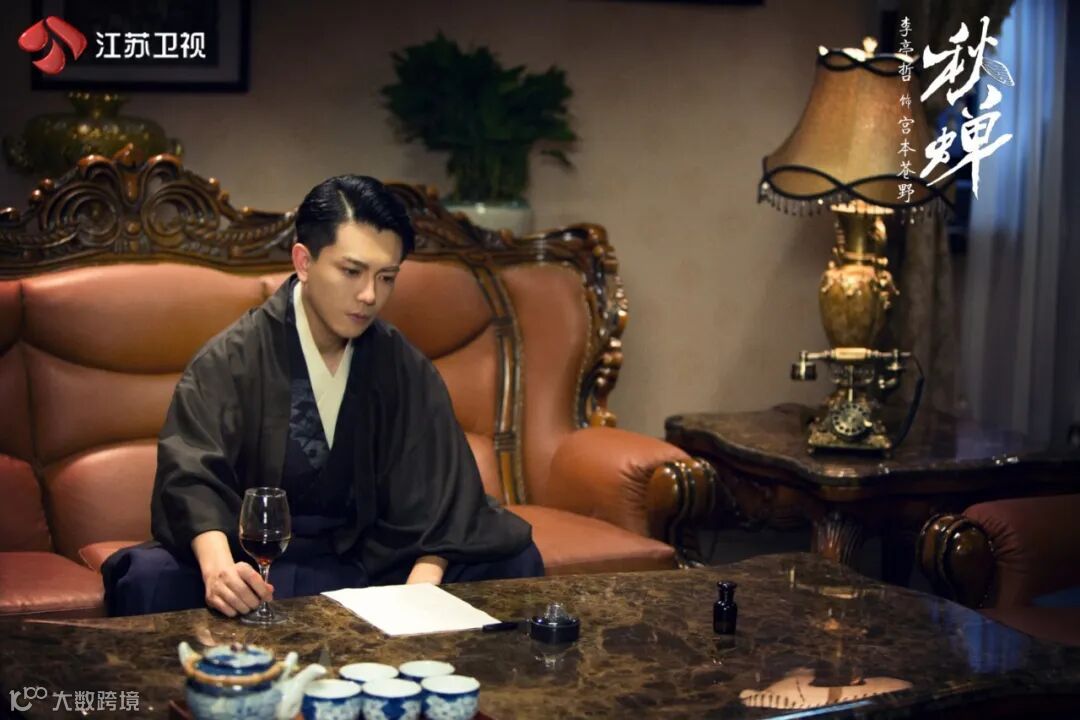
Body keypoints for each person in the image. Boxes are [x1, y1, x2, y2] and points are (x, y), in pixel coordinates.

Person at [103, 175, 542, 617]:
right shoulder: (234, 358)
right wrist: (219, 571)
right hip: (256, 560)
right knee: (148, 579)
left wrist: (419, 590)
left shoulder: (399, 362)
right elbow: (191, 475)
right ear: (304, 261)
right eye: (351, 272)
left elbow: (442, 495)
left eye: (386, 277)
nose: (369, 295)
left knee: (513, 556)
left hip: (368, 562)